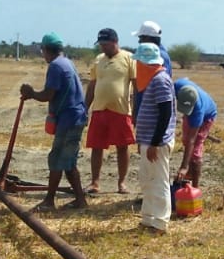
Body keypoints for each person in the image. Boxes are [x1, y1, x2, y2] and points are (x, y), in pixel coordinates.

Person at [20, 32, 88, 212]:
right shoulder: (66, 62)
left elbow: (48, 94)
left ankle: (50, 201)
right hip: (74, 117)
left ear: (45, 50)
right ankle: (80, 201)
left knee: (58, 158)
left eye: (42, 50)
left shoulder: (56, 67)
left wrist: (31, 93)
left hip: (69, 119)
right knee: (67, 161)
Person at [84, 27, 136, 194]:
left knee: (122, 147)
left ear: (115, 42)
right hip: (100, 109)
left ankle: (122, 183)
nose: (102, 47)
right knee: (96, 147)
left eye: (105, 44)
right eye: (100, 44)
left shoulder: (129, 58)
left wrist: (136, 110)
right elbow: (92, 85)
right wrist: (85, 107)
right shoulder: (98, 60)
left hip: (120, 111)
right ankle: (95, 183)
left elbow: (135, 85)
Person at [133, 42, 175, 233]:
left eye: (138, 63)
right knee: (148, 179)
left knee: (158, 181)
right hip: (148, 141)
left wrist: (155, 142)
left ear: (145, 63)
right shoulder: (154, 80)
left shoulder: (160, 80)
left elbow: (165, 113)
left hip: (156, 143)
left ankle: (160, 222)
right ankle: (149, 218)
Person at [172, 76, 218, 187]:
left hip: (208, 115)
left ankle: (195, 187)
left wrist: (183, 166)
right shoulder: (177, 85)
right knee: (185, 139)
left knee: (196, 146)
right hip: (193, 105)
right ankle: (189, 174)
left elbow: (192, 140)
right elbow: (186, 79)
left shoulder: (198, 111)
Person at [133, 20, 172, 117]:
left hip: (152, 110)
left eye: (141, 38)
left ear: (147, 37)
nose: (139, 41)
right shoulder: (155, 53)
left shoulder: (159, 56)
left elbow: (160, 85)